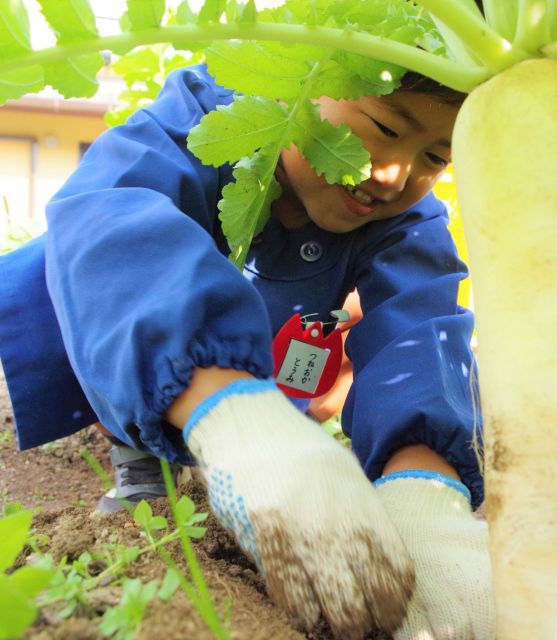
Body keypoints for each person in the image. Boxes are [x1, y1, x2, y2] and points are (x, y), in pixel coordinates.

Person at [0, 63, 494, 639]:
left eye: (435, 158)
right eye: (385, 127)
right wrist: (230, 416)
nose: (393, 174)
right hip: (122, 318)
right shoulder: (202, 123)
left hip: (272, 333)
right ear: (301, 79)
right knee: (132, 327)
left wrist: (425, 491)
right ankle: (142, 464)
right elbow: (114, 225)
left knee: (283, 396)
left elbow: (419, 327)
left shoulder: (408, 220)